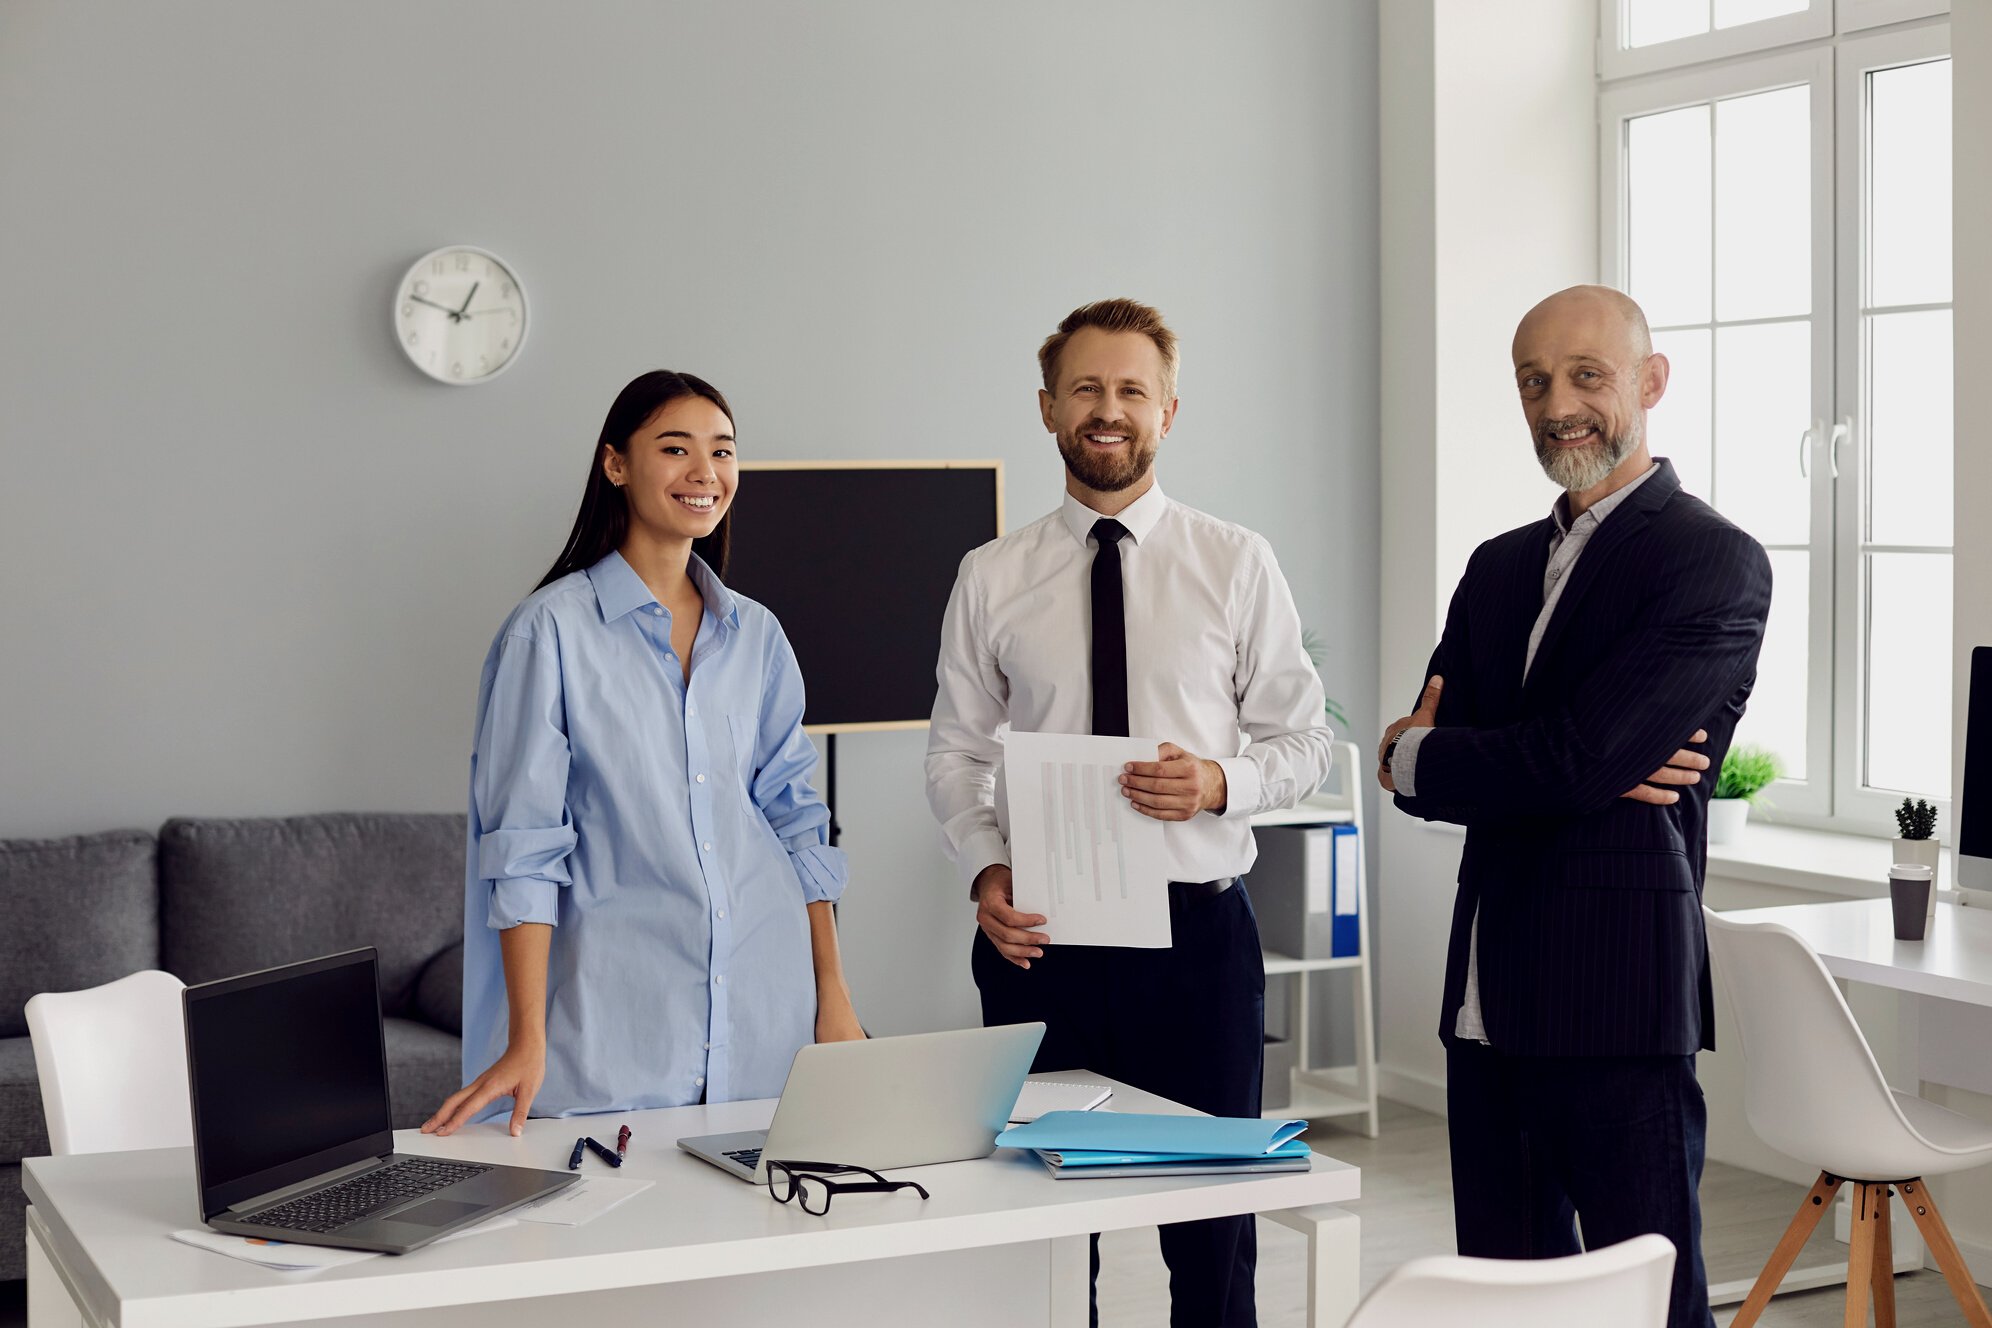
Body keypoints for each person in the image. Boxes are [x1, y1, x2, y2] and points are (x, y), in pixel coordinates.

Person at [927, 298, 1336, 1327]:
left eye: (1131, 390)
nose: (1108, 409)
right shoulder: (991, 575)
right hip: (1040, 942)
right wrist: (986, 869)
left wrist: (1218, 782)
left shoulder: (1236, 562)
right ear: (1048, 407)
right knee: (1043, 1232)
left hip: (1196, 942)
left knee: (1209, 1232)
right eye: (1087, 389)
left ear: (1168, 410)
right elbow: (959, 753)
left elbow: (1304, 740)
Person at [1378, 285, 1772, 1328]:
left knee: (1650, 1300)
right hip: (1483, 998)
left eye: (1586, 375)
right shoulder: (1497, 565)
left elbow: (1561, 761)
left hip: (1615, 1003)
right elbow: (1435, 762)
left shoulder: (1709, 558)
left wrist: (1463, 754)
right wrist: (1464, 756)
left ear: (1650, 382)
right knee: (1504, 1302)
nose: (1560, 404)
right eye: (1534, 381)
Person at [424, 370, 864, 1138]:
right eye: (676, 448)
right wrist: (527, 1038)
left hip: (766, 1021)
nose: (705, 472)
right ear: (616, 464)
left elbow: (797, 824)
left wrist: (834, 997)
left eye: (723, 451)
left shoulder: (757, 635)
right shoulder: (548, 634)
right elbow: (522, 850)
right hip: (614, 1040)